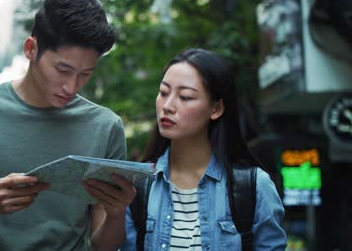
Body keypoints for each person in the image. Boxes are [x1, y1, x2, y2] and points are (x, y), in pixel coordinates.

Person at [0, 0, 136, 250]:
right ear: (31, 49)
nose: (71, 86)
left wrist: (116, 214)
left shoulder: (105, 126)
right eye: (63, 70)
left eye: (85, 74)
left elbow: (104, 246)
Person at [121, 48, 287, 250]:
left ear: (216, 109)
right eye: (163, 93)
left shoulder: (254, 186)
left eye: (185, 97)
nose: (167, 106)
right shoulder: (138, 184)